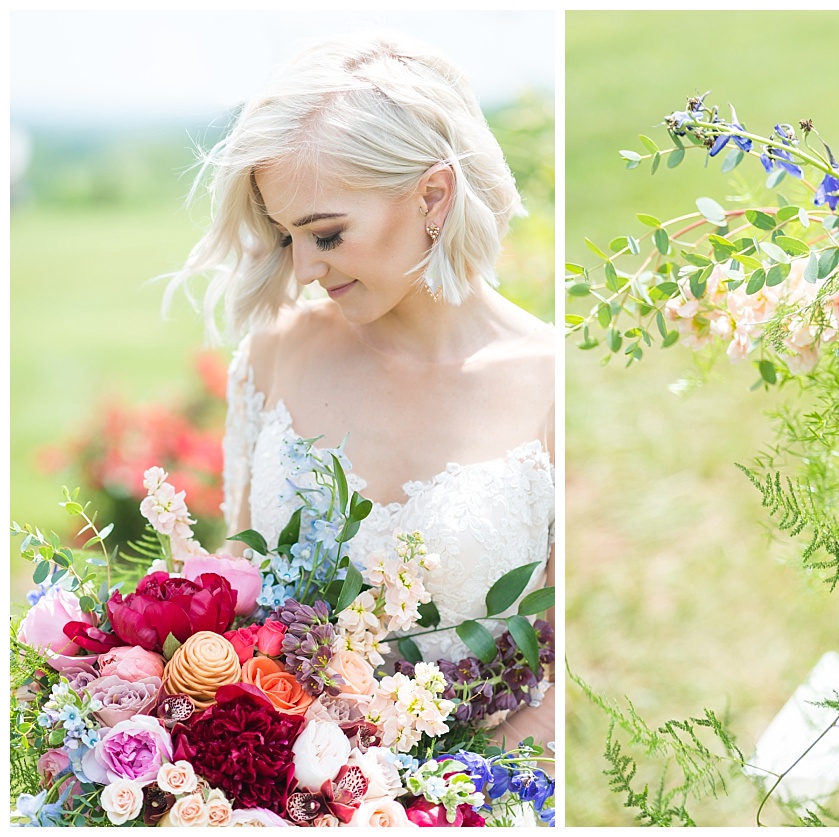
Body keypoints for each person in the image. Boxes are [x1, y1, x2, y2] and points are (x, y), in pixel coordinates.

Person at [166, 32, 556, 746]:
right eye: (288, 237)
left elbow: (570, 673)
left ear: (433, 194)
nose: (307, 267)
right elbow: (240, 613)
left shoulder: (551, 380)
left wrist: (435, 802)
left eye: (328, 234)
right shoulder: (274, 352)